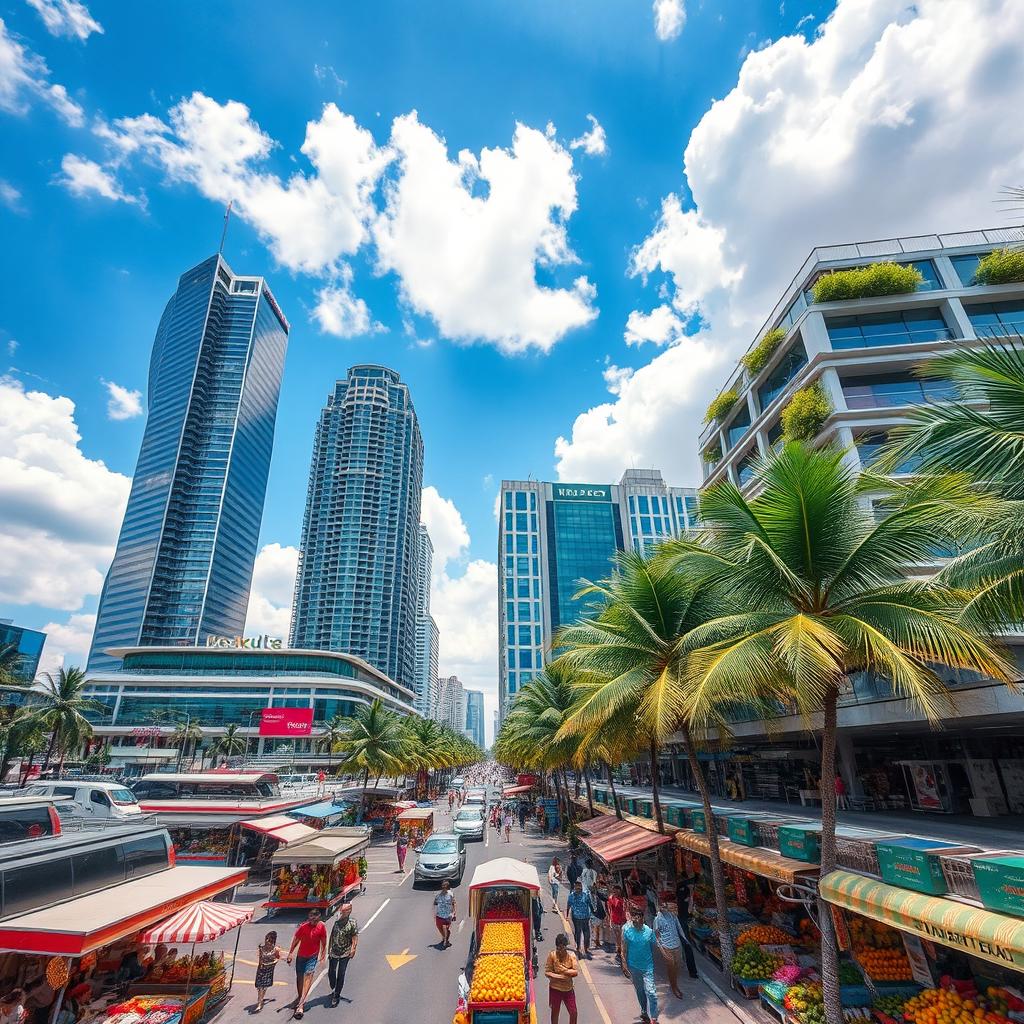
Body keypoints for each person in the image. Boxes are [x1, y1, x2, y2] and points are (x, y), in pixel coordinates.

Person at [286, 908, 327, 1019]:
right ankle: (300, 997)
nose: (312, 922)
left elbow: (323, 939)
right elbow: (296, 939)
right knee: (299, 978)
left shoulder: (321, 927)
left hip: (312, 957)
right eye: (310, 919)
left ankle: (301, 1005)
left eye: (314, 920)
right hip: (301, 956)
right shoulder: (303, 927)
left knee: (308, 976)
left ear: (318, 918)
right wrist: (290, 953)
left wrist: (323, 954)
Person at [621, 906, 660, 1024]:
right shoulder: (627, 931)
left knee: (651, 992)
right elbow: (624, 949)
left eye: (637, 918)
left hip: (648, 967)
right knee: (640, 990)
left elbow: (655, 944)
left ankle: (653, 1018)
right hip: (634, 967)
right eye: (634, 918)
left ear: (642, 919)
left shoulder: (649, 931)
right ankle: (644, 1011)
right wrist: (624, 965)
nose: (635, 920)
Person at [326, 903, 358, 1007]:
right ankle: (333, 986)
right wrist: (328, 949)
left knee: (341, 973)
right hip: (334, 951)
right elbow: (332, 935)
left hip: (345, 952)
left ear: (348, 912)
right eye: (341, 911)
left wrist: (353, 948)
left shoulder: (352, 923)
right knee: (331, 972)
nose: (341, 913)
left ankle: (337, 994)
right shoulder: (336, 920)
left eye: (343, 911)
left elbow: (354, 936)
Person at [653, 897, 684, 998]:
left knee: (677, 966)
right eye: (661, 905)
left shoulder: (673, 916)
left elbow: (678, 928)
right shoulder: (657, 919)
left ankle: (674, 983)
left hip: (677, 945)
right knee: (671, 967)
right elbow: (656, 935)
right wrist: (661, 948)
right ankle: (674, 987)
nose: (664, 906)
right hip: (666, 947)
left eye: (665, 904)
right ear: (658, 906)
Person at [545, 933, 578, 1024]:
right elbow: (547, 972)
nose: (560, 950)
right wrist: (561, 977)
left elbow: (575, 972)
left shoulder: (571, 956)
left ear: (565, 947)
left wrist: (564, 970)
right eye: (558, 948)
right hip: (555, 989)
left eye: (562, 948)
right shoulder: (552, 955)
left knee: (573, 1012)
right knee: (555, 1012)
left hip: (568, 989)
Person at [674, 875, 699, 979]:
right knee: (687, 945)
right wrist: (691, 892)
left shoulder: (680, 889)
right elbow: (689, 909)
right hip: (683, 920)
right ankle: (692, 972)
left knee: (684, 945)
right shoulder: (684, 891)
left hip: (681, 919)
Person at [254, 930, 285, 1012]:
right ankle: (260, 1001)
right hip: (261, 969)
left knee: (264, 987)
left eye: (269, 939)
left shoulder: (276, 949)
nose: (267, 941)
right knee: (259, 986)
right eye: (266, 938)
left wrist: (273, 963)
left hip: (269, 969)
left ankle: (260, 1002)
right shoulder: (261, 948)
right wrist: (261, 964)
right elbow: (260, 958)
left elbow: (278, 958)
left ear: (272, 940)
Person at [566, 881, 593, 959]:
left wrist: (591, 914)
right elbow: (568, 905)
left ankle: (586, 947)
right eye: (577, 887)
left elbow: (590, 904)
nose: (578, 888)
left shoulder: (586, 895)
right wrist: (567, 915)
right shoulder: (571, 896)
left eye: (579, 887)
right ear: (574, 888)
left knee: (587, 934)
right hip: (576, 918)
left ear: (581, 887)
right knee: (578, 933)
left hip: (585, 917)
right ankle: (578, 947)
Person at [433, 879, 457, 948]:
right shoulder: (438, 896)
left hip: (447, 916)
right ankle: (445, 938)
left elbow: (454, 903)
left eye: (445, 886)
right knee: (441, 929)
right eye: (443, 886)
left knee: (445, 928)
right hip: (439, 916)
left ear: (447, 888)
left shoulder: (450, 895)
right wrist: (434, 914)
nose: (444, 888)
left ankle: (445, 941)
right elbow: (435, 904)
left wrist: (454, 913)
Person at [591, 872, 610, 950]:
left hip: (602, 911)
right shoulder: (597, 892)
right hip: (599, 911)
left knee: (600, 927)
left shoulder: (602, 891)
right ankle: (597, 940)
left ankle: (599, 940)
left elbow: (605, 899)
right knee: (598, 927)